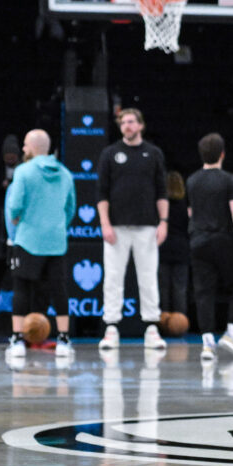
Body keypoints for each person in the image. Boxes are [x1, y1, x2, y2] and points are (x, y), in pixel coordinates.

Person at [96, 108, 169, 351]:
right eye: (123, 122)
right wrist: (105, 224)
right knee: (113, 278)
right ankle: (111, 328)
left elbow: (162, 192)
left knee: (148, 277)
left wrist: (164, 221)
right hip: (116, 227)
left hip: (147, 226)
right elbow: (102, 194)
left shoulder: (154, 153)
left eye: (130, 122)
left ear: (140, 125)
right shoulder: (110, 153)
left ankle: (151, 327)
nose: (126, 126)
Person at [3, 130, 76, 360]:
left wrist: (16, 218)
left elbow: (15, 204)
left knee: (21, 288)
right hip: (56, 240)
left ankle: (17, 339)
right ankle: (64, 339)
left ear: (33, 147)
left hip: (28, 239)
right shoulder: (65, 174)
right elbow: (70, 208)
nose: (23, 149)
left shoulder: (23, 171)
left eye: (25, 145)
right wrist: (57, 225)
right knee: (59, 289)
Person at [186, 134, 233, 362]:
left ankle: (207, 345)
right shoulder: (229, 181)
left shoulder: (192, 180)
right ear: (222, 154)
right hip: (223, 240)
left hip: (198, 241)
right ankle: (232, 333)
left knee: (203, 292)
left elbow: (191, 213)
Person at [158, 170, 190, 324]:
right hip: (181, 249)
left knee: (163, 286)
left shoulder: (160, 207)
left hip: (163, 248)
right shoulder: (185, 207)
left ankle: (163, 321)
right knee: (180, 288)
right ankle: (179, 322)